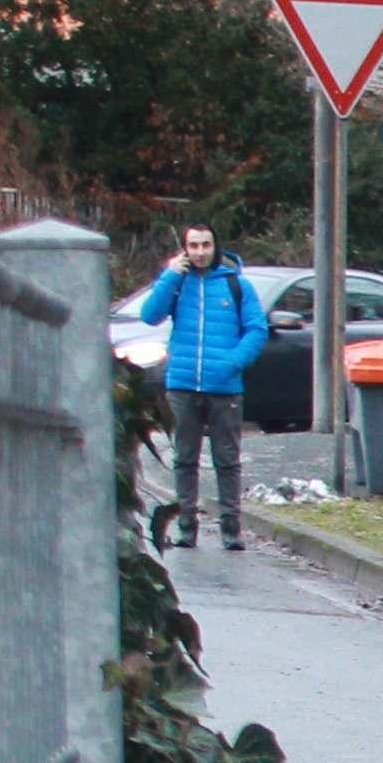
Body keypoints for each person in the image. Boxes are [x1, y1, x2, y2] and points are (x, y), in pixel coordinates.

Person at [127, 224, 268, 550]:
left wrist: (233, 361)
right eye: (194, 245)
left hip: (225, 387)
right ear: (185, 249)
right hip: (183, 384)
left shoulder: (236, 285)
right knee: (185, 458)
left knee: (227, 460)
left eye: (206, 244)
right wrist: (169, 276)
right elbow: (150, 316)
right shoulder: (178, 284)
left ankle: (231, 528)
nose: (200, 251)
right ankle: (187, 525)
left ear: (215, 246)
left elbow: (256, 330)